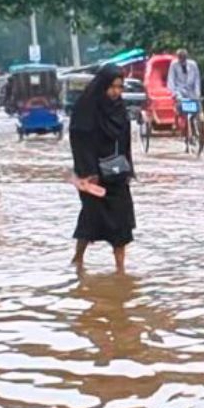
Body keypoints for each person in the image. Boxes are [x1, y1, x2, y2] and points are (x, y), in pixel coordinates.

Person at [69, 64, 135, 273]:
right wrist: (88, 173)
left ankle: (120, 269)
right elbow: (79, 140)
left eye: (120, 87)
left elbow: (125, 141)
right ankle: (78, 259)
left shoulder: (120, 109)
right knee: (91, 219)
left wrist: (128, 168)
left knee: (121, 223)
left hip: (117, 173)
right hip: (93, 176)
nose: (116, 92)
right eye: (112, 87)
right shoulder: (86, 109)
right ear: (103, 86)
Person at [167, 48, 204, 134]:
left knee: (198, 106)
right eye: (180, 58)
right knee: (180, 107)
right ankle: (178, 123)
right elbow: (171, 80)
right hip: (179, 90)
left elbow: (197, 80)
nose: (182, 60)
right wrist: (174, 94)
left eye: (183, 58)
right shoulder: (174, 65)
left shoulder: (193, 65)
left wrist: (197, 93)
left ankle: (197, 125)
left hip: (191, 90)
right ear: (178, 58)